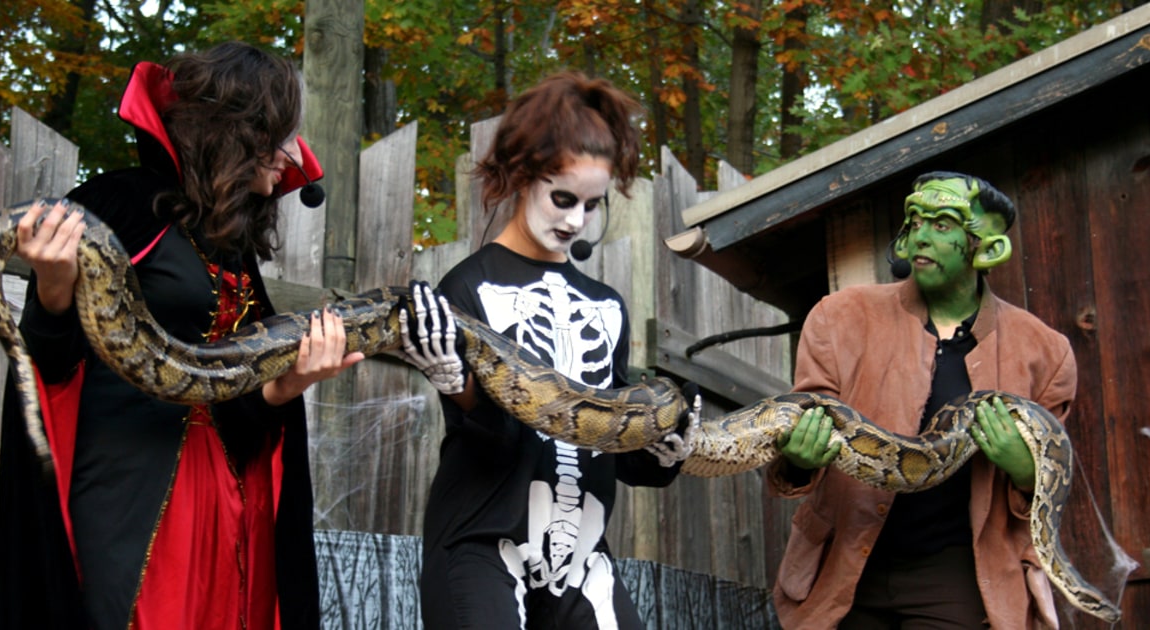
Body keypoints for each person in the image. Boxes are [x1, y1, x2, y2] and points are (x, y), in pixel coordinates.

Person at [0, 42, 363, 629]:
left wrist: (287, 386)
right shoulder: (117, 206)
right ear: (239, 132)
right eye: (280, 133)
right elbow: (51, 363)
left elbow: (241, 408)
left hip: (229, 504)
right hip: (129, 492)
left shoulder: (234, 246)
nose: (293, 153)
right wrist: (56, 284)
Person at [399, 71, 698, 629]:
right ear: (522, 175)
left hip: (584, 558)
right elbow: (491, 437)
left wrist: (665, 449)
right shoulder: (467, 288)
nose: (575, 221)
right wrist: (455, 384)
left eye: (591, 204)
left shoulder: (606, 305)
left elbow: (619, 451)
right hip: (481, 540)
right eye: (563, 198)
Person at [768, 171, 1078, 629]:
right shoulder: (839, 317)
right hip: (842, 567)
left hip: (955, 578)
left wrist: (1026, 468)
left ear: (988, 248)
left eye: (942, 225)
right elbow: (803, 434)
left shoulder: (1046, 352)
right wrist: (797, 460)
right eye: (915, 222)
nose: (920, 238)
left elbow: (1046, 494)